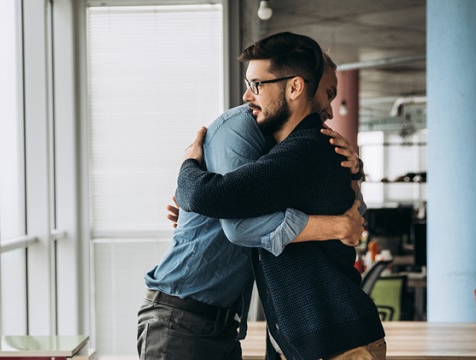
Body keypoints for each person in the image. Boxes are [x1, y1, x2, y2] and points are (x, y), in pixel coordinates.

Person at [137, 46, 366, 360]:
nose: (327, 108)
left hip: (224, 323)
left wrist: (355, 169)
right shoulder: (241, 128)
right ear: (299, 89)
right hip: (182, 317)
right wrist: (337, 226)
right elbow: (239, 225)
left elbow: (354, 210)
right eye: (325, 93)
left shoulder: (293, 145)